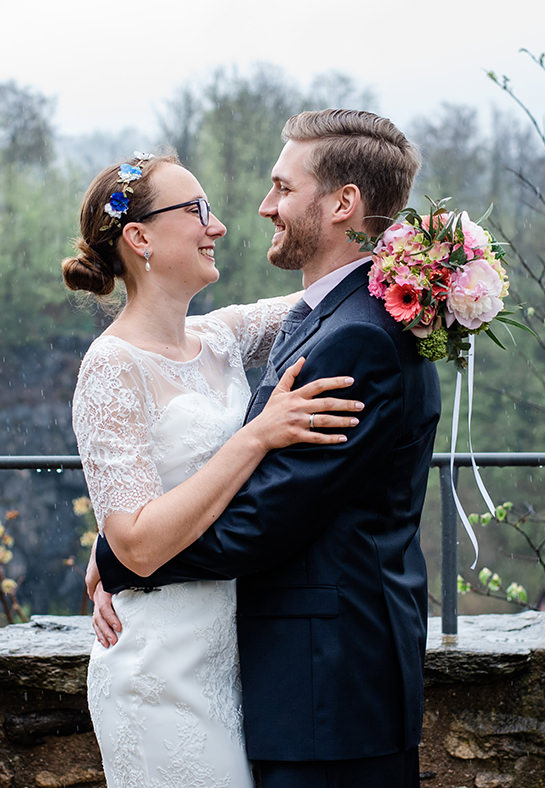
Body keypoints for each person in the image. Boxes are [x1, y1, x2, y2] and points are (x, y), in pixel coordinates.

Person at [92, 110, 441, 788]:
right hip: (275, 674)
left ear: (342, 203)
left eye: (282, 188)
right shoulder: (326, 314)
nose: (261, 208)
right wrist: (124, 520)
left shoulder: (357, 339)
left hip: (330, 686)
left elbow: (263, 523)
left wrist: (125, 555)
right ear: (137, 238)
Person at [64, 151, 365, 788]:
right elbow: (140, 545)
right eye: (196, 211)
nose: (218, 226)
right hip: (158, 665)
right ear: (139, 238)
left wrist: (436, 266)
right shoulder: (109, 368)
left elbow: (334, 297)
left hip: (232, 654)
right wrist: (254, 438)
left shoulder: (223, 338)